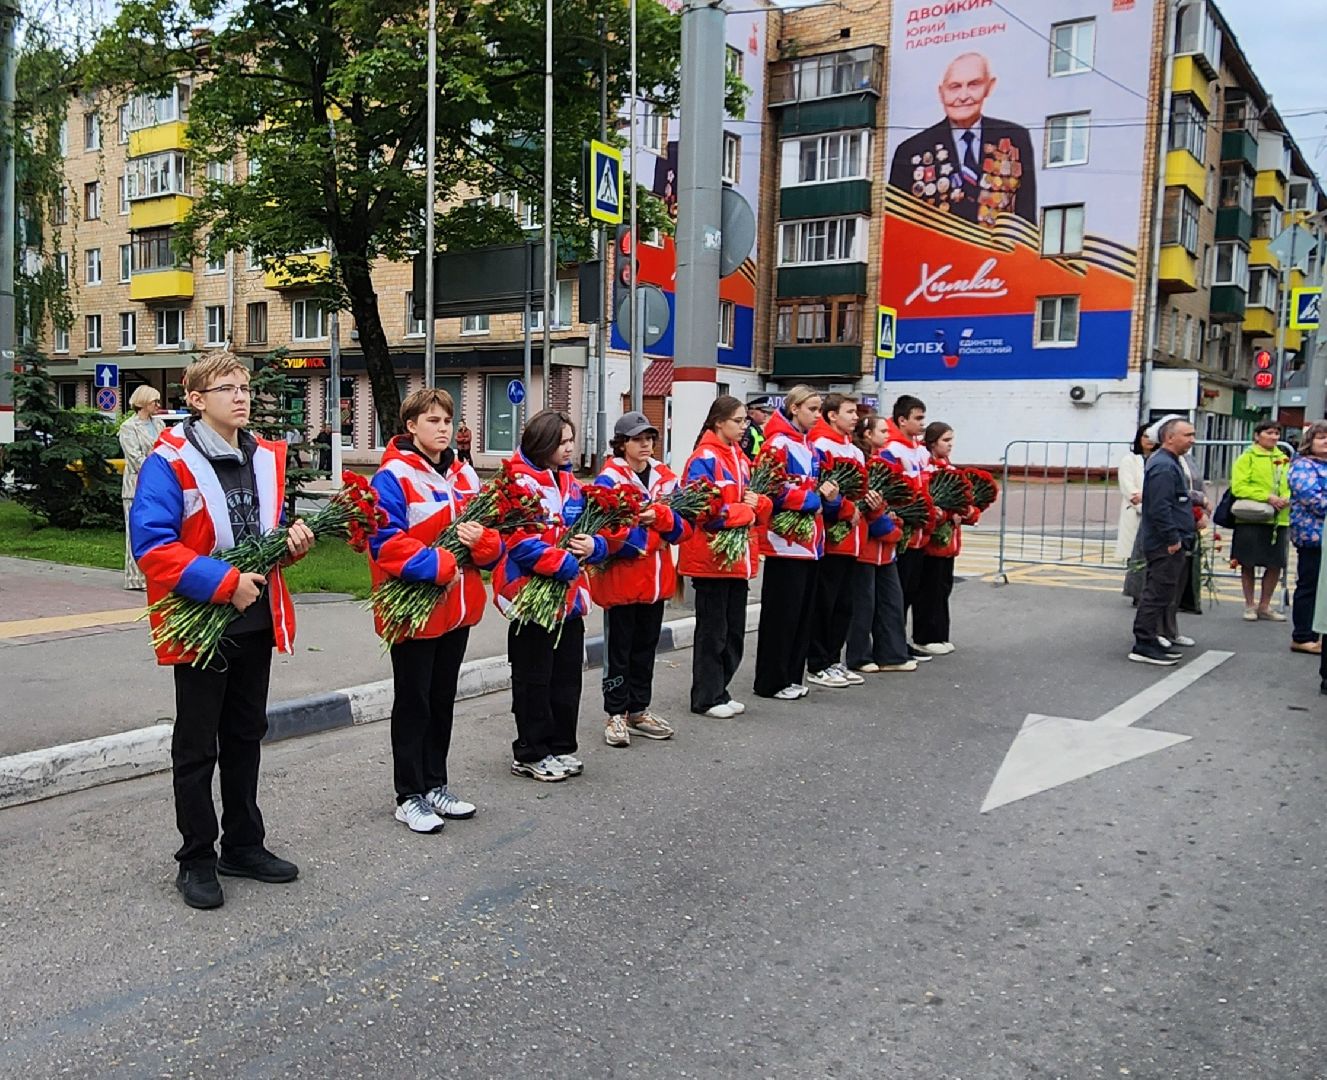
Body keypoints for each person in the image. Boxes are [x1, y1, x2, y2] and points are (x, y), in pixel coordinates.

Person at [130, 351, 315, 909]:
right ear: (196, 399)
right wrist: (224, 583)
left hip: (255, 622)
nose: (241, 396)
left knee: (244, 737)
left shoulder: (262, 456)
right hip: (203, 623)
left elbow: (264, 532)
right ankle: (196, 859)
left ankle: (243, 844)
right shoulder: (171, 461)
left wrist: (291, 543)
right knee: (196, 746)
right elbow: (154, 547)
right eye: (227, 388)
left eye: (244, 387)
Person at [369, 388, 502, 834]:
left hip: (457, 610)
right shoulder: (392, 476)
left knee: (442, 700)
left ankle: (435, 783)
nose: (443, 428)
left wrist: (484, 545)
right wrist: (440, 562)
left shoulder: (465, 476)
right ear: (411, 427)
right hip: (414, 612)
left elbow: (491, 538)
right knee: (414, 702)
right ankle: (408, 794)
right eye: (432, 421)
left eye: (447, 421)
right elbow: (384, 543)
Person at [493, 409, 608, 782]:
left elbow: (584, 528)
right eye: (562, 441)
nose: (569, 447)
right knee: (534, 680)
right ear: (541, 442)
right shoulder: (517, 483)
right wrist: (563, 564)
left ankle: (560, 746)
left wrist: (594, 545)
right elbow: (517, 542)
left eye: (571, 440)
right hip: (530, 597)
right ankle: (530, 751)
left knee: (566, 678)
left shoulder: (570, 482)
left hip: (568, 600)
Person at [591, 411, 690, 747]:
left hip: (657, 582)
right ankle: (615, 713)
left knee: (646, 648)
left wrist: (659, 517)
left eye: (649, 438)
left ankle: (638, 710)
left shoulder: (665, 476)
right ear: (621, 444)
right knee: (618, 650)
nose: (646, 444)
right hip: (621, 583)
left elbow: (683, 528)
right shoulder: (609, 479)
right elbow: (610, 536)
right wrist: (652, 540)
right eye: (637, 439)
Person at [679, 396, 771, 718]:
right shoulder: (703, 457)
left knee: (733, 633)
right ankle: (705, 697)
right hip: (711, 561)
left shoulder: (741, 458)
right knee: (712, 633)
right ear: (719, 422)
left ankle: (721, 689)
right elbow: (701, 510)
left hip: (736, 561)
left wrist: (759, 504)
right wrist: (744, 511)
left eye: (746, 420)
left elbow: (758, 508)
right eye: (739, 420)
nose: (745, 426)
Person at [753, 385, 840, 700]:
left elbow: (817, 492)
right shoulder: (778, 444)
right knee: (782, 616)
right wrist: (812, 499)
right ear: (794, 409)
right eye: (813, 409)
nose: (817, 415)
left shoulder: (810, 447)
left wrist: (829, 496)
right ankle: (771, 681)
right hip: (786, 544)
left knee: (802, 615)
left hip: (811, 545)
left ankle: (791, 675)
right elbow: (770, 490)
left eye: (819, 409)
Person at [887, 51, 1037, 227]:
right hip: (935, 253)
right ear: (941, 93)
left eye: (974, 85)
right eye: (955, 87)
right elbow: (898, 226)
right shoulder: (912, 150)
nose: (964, 96)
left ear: (989, 87)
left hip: (996, 253)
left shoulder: (1015, 138)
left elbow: (1026, 219)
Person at [806, 393, 867, 688]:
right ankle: (818, 663)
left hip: (853, 538)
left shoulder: (855, 451)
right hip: (831, 538)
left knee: (844, 604)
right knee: (825, 603)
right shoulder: (822, 445)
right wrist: (845, 509)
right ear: (832, 415)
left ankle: (833, 658)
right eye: (850, 412)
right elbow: (823, 488)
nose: (856, 417)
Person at [845, 414, 913, 674]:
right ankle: (859, 656)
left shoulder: (885, 465)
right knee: (864, 606)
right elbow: (866, 510)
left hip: (886, 550)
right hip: (866, 548)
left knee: (891, 601)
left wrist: (895, 518)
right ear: (867, 435)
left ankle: (891, 654)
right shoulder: (864, 467)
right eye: (882, 431)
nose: (887, 435)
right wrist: (889, 526)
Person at [1129, 417, 1197, 666]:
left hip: (1169, 538)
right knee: (1157, 592)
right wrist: (1172, 537)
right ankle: (1144, 642)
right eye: (1187, 435)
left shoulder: (1170, 462)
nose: (1192, 440)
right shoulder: (1164, 466)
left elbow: (1175, 499)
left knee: (1163, 590)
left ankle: (1151, 639)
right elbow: (1159, 507)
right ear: (1170, 437)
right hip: (1164, 541)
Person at [914, 422, 981, 655]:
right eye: (945, 440)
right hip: (932, 544)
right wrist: (948, 514)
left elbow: (968, 504)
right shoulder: (927, 469)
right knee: (929, 590)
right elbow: (930, 505)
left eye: (951, 440)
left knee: (943, 589)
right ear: (932, 442)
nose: (950, 445)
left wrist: (969, 512)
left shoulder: (951, 470)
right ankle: (925, 635)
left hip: (950, 543)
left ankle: (940, 634)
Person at [882, 394, 934, 662]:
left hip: (919, 531)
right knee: (897, 592)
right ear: (902, 420)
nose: (922, 423)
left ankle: (901, 641)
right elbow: (893, 490)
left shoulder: (920, 450)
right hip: (902, 530)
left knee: (911, 589)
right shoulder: (893, 449)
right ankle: (893, 643)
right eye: (918, 418)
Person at [1229, 421, 1291, 623]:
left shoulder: (1283, 459)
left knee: (1275, 564)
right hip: (1251, 517)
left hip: (1278, 519)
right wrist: (1267, 497)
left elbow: (1290, 483)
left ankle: (1265, 605)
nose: (1274, 437)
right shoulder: (1247, 457)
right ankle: (1249, 605)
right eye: (1269, 433)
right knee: (1247, 562)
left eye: (1277, 433)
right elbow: (1239, 487)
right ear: (1257, 435)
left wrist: (1286, 497)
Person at [118, 385, 165, 590]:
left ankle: (154, 575)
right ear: (144, 402)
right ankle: (135, 578)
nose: (158, 405)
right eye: (155, 401)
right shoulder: (129, 427)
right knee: (135, 531)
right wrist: (156, 464)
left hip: (158, 486)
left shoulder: (159, 423)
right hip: (135, 486)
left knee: (155, 530)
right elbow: (134, 458)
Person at [1287, 421, 1327, 654]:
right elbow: (1311, 498)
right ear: (1309, 442)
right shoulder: (1303, 466)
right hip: (1313, 536)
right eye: (1321, 438)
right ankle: (1302, 636)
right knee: (1309, 586)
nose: (1326, 442)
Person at [1118, 423, 1156, 605]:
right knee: (1136, 554)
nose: (1148, 440)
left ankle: (1151, 592)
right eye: (1145, 436)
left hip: (1154, 513)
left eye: (1151, 436)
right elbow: (1129, 489)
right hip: (1137, 513)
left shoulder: (1160, 459)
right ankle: (1136, 592)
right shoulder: (1130, 460)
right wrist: (1144, 504)